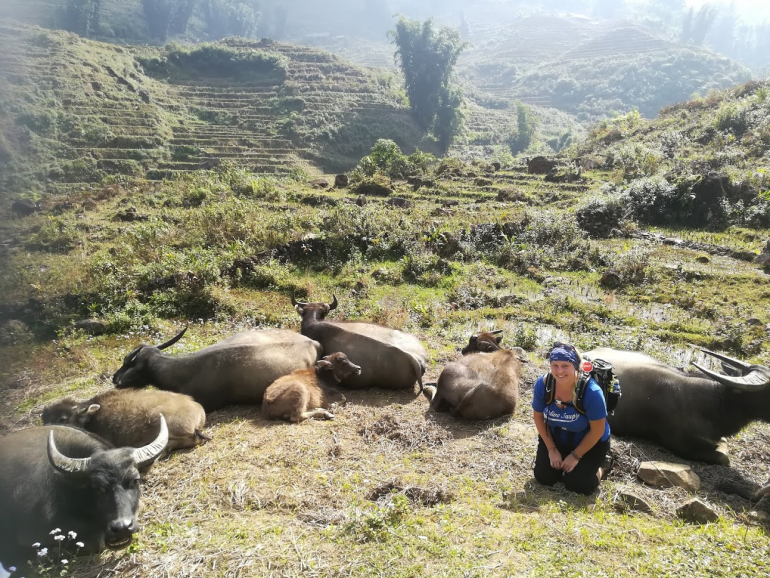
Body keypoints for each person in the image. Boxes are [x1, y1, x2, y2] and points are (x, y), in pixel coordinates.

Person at [532, 342, 611, 495]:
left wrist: (576, 456)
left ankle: (603, 466)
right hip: (557, 437)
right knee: (544, 477)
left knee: (578, 485)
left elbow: (598, 431)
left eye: (565, 365)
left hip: (589, 441)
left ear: (575, 366)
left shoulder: (592, 392)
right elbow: (538, 417)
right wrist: (551, 449)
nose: (559, 371)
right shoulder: (543, 385)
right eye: (555, 365)